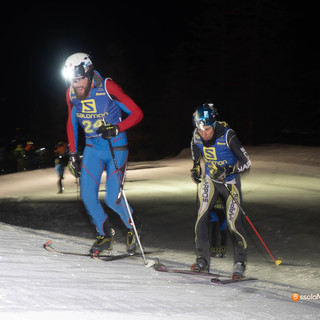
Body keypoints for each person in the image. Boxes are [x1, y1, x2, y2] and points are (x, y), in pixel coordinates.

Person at [63, 53, 143, 255]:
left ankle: (133, 226)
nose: (76, 85)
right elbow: (71, 123)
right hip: (92, 148)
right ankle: (104, 234)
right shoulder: (71, 94)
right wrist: (73, 152)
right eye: (73, 81)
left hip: (116, 147)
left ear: (89, 74)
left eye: (80, 80)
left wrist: (117, 128)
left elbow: (137, 113)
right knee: (87, 196)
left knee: (112, 199)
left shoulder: (108, 87)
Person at [190, 102, 251, 279]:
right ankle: (202, 259)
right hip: (210, 180)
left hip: (229, 183)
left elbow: (247, 162)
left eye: (207, 129)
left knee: (233, 222)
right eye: (200, 129)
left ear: (214, 124)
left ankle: (240, 262)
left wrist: (229, 170)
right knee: (201, 216)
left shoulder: (228, 136)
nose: (204, 134)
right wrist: (195, 167)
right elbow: (195, 149)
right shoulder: (196, 134)